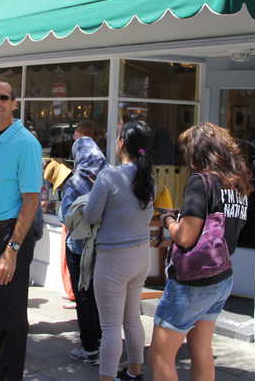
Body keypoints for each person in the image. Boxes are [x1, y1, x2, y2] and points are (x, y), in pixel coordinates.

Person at [150, 122, 252, 381]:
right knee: (202, 350)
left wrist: (168, 221)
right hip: (222, 276)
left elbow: (185, 237)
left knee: (161, 355)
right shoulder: (236, 185)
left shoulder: (201, 182)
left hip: (193, 282)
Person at [0, 80, 42, 380]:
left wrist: (12, 249)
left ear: (15, 103)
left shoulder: (25, 142)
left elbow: (31, 199)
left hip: (9, 235)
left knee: (12, 321)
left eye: (4, 97)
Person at [81, 121, 154, 381]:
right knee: (132, 318)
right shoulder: (148, 176)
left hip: (113, 257)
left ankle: (107, 377)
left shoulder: (109, 175)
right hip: (141, 254)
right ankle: (135, 371)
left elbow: (90, 216)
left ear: (122, 142)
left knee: (110, 326)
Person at [60, 120, 107, 365]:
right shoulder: (109, 173)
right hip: (104, 245)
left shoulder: (76, 180)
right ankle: (104, 342)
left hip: (79, 247)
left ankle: (90, 345)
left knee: (84, 295)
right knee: (100, 295)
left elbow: (64, 215)